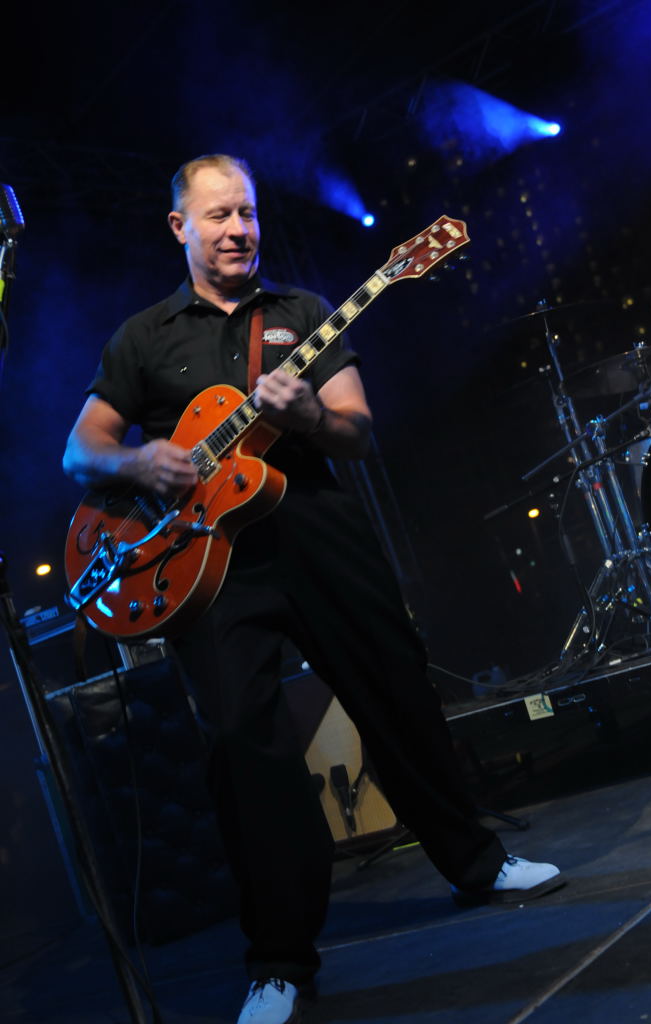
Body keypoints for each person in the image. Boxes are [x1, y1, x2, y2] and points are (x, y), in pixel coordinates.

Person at [63, 153, 564, 1024]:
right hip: (209, 566)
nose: (238, 230)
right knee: (243, 749)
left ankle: (478, 865)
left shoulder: (303, 313)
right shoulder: (143, 337)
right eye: (218, 215)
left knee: (397, 696)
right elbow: (82, 451)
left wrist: (310, 417)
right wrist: (141, 462)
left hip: (320, 538)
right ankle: (279, 960)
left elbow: (358, 434)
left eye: (247, 213)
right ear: (179, 226)